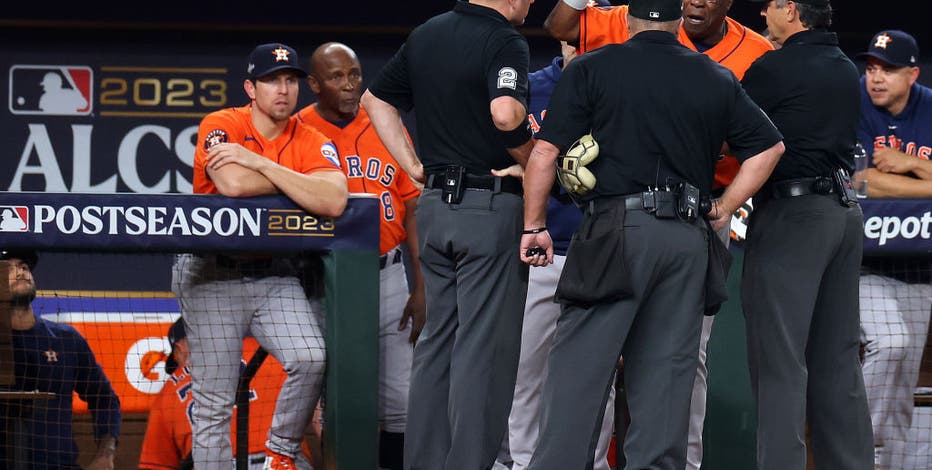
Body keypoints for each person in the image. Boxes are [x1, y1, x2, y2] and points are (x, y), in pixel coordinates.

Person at [518, 0, 784, 467]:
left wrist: (534, 225)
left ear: (628, 19)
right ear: (677, 19)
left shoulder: (593, 67)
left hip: (614, 231)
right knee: (666, 379)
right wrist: (722, 208)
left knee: (579, 373)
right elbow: (769, 147)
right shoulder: (713, 75)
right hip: (686, 237)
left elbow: (543, 156)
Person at [360, 0, 536, 467]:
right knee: (483, 349)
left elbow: (375, 100)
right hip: (488, 206)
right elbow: (505, 114)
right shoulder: (503, 40)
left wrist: (413, 166)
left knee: (438, 344)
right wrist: (534, 159)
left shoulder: (427, 33)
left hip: (436, 207)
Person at [172, 42, 348, 470]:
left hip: (273, 274)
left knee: (310, 357)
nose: (283, 90)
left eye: (290, 80)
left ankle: (280, 453)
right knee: (214, 403)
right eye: (271, 81)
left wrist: (262, 164)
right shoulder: (221, 123)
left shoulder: (310, 137)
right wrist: (296, 183)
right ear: (251, 88)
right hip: (211, 274)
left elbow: (334, 199)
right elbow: (230, 184)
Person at [740, 1, 875, 468]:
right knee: (838, 364)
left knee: (780, 363)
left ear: (791, 10)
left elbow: (726, 136)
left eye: (770, 5)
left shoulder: (776, 67)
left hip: (792, 218)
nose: (762, 12)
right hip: (842, 214)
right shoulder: (843, 66)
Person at [296, 42, 425, 470]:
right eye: (336, 77)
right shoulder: (298, 132)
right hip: (322, 279)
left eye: (354, 74)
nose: (350, 86)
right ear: (314, 85)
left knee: (403, 404)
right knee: (339, 402)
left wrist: (421, 285)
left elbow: (412, 206)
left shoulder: (384, 122)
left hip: (388, 275)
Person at [492, 39, 615, 470]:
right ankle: (525, 462)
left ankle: (594, 463)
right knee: (526, 371)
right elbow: (500, 139)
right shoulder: (532, 88)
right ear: (565, 37)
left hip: (600, 248)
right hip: (542, 249)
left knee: (597, 376)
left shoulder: (619, 85)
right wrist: (527, 165)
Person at [854, 29, 932, 469]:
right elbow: (859, 180)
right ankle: (862, 456)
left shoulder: (930, 107)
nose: (876, 79)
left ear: (913, 74)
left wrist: (913, 162)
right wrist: (925, 181)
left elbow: (882, 179)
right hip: (863, 260)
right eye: (871, 69)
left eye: (888, 70)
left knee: (903, 385)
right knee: (892, 343)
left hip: (920, 265)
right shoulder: (856, 103)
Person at [139, 318, 314, 470]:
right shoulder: (265, 352)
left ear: (180, 347)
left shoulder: (168, 394)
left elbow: (155, 465)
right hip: (279, 462)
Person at [0, 249, 121, 469]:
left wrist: (106, 453)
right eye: (8, 267)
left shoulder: (67, 340)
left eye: (25, 267)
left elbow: (105, 398)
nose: (21, 272)